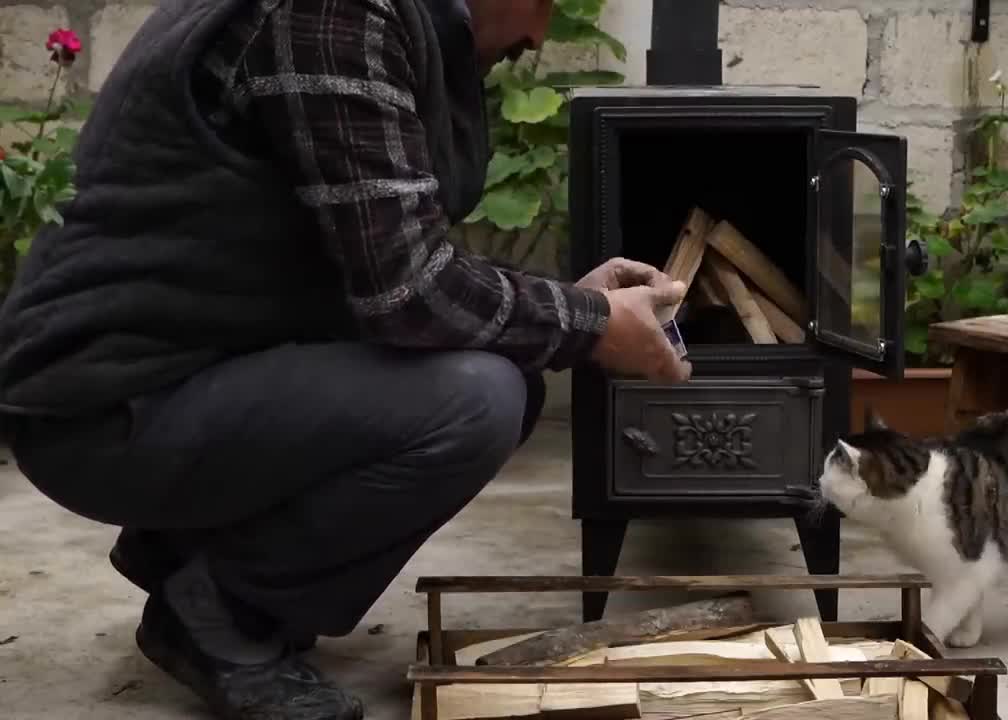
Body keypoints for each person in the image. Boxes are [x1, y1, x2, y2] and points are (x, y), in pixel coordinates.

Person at [0, 0, 691, 717]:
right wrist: (592, 324)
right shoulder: (332, 11)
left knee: (502, 367)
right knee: (476, 399)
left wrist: (569, 304)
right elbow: (409, 293)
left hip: (180, 373)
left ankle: (186, 553)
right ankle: (218, 615)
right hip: (104, 413)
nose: (541, 32)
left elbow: (389, 252)